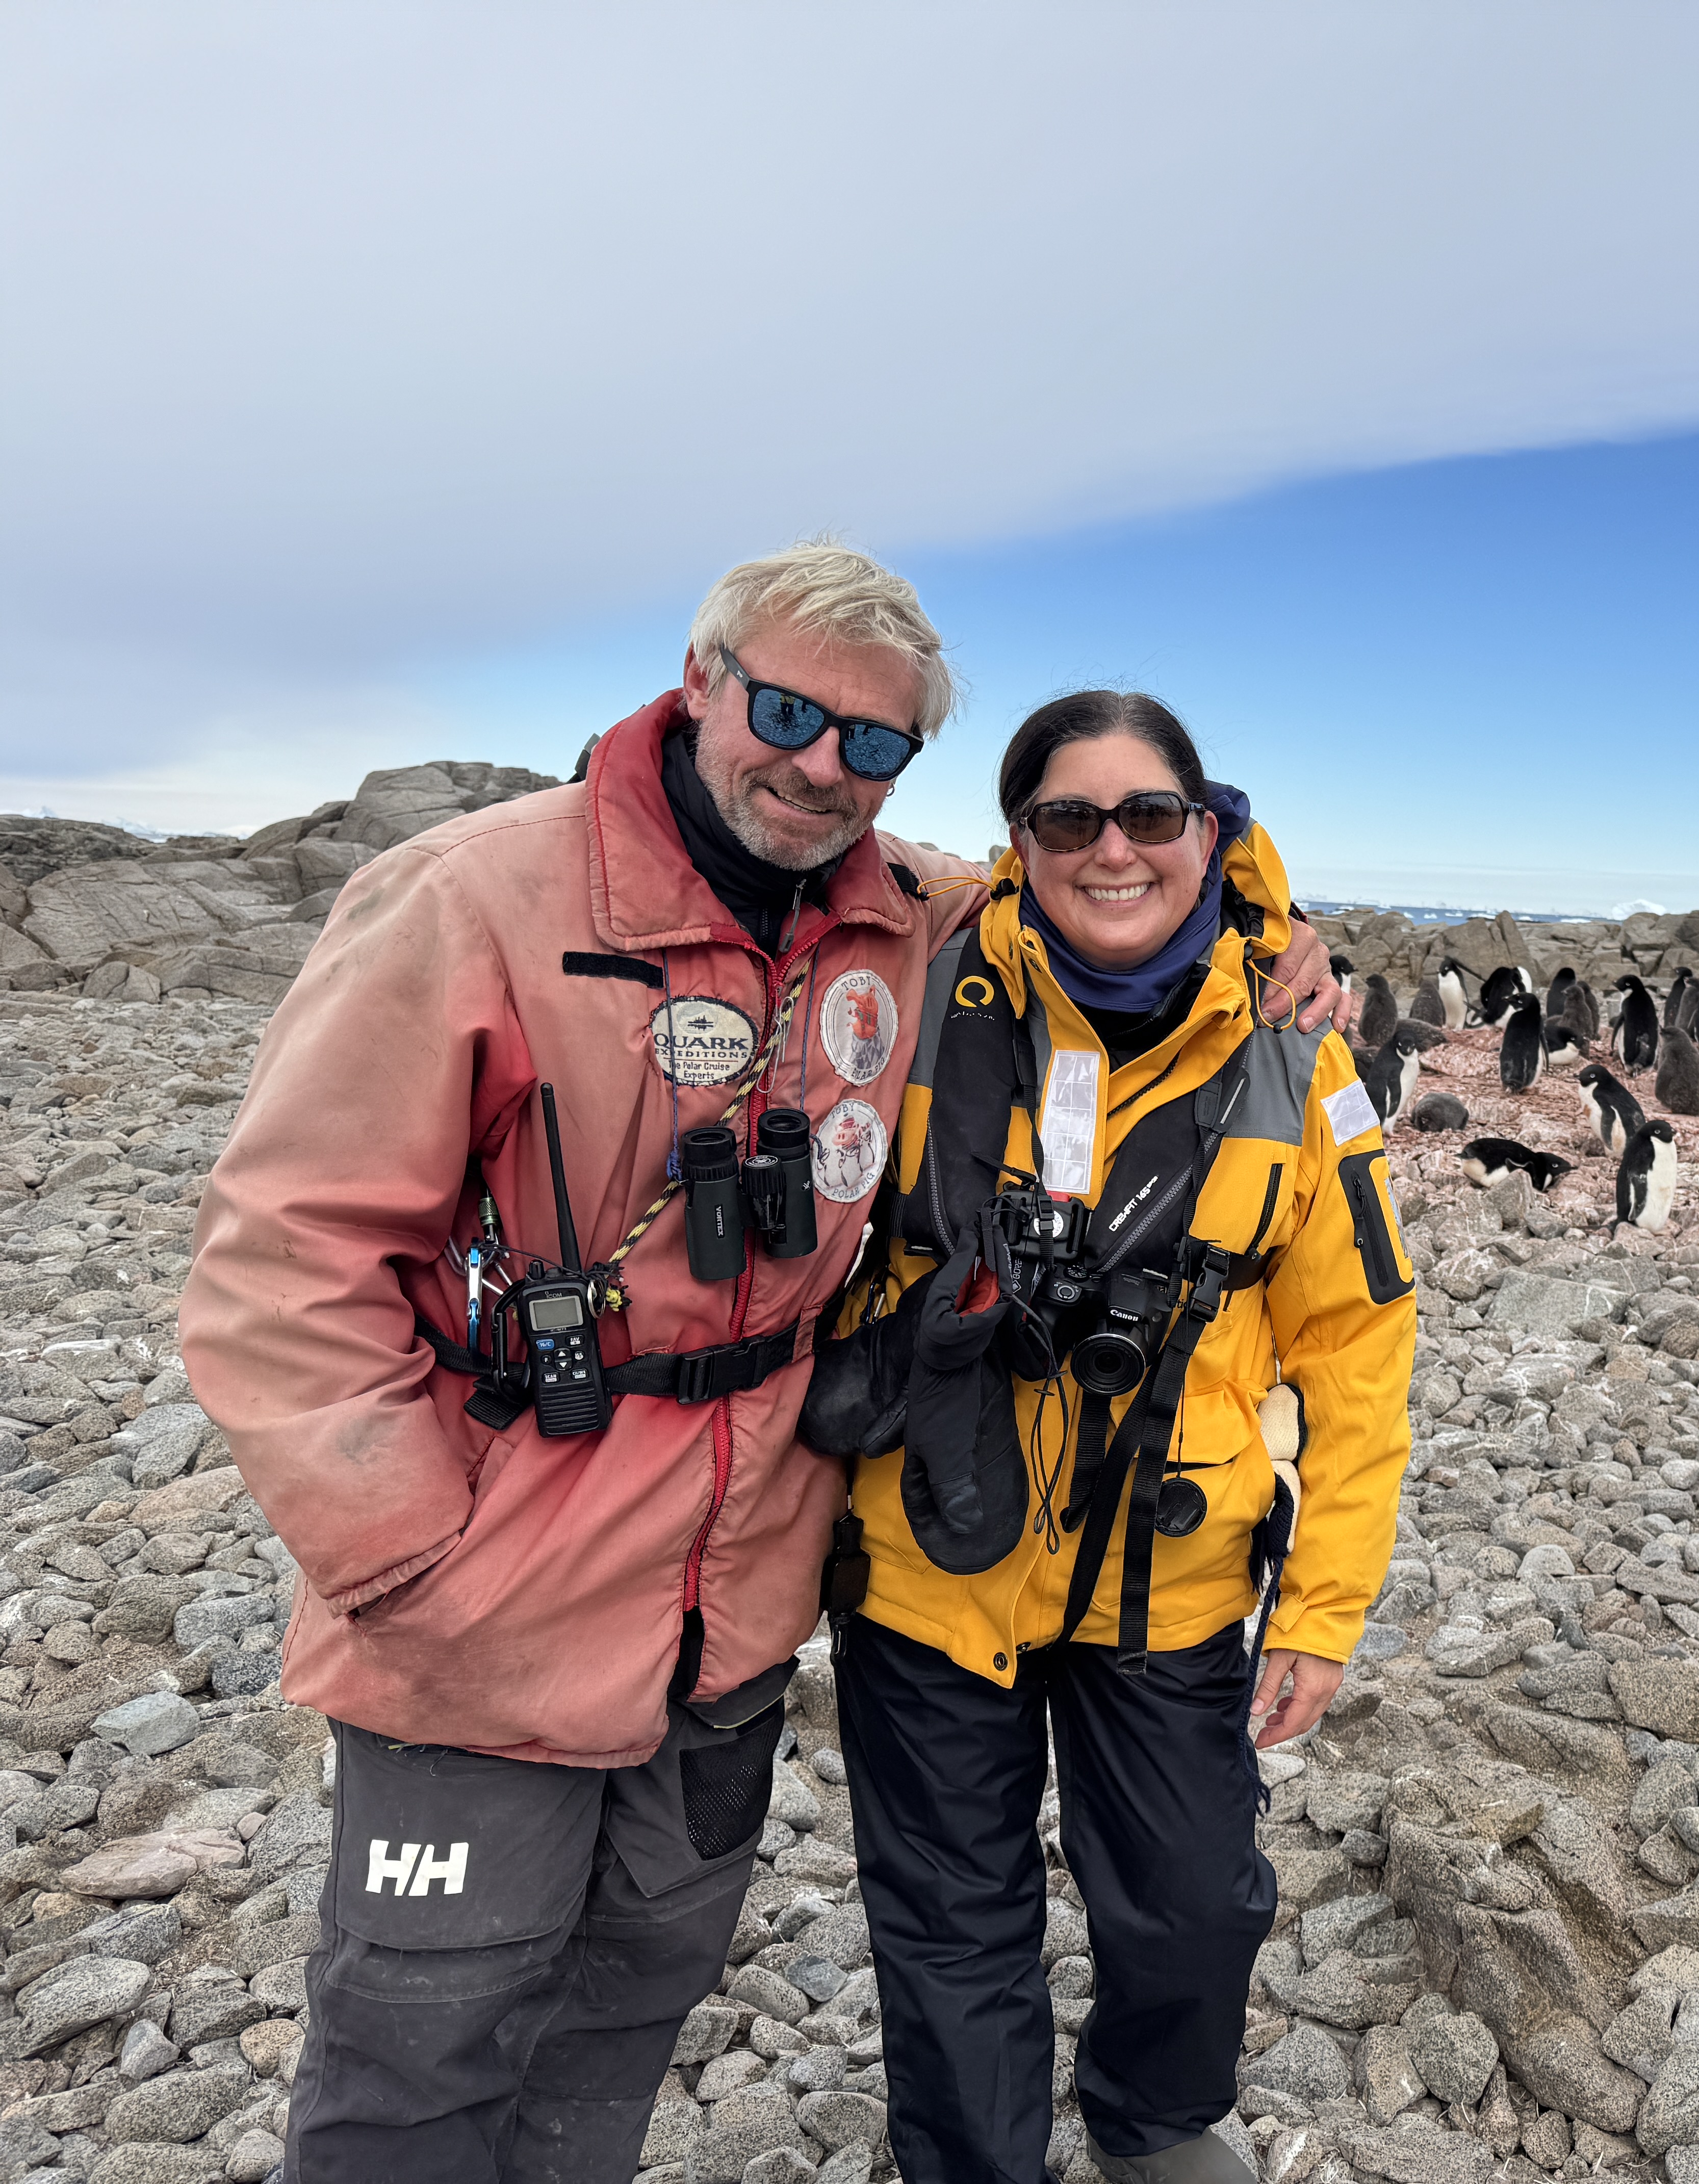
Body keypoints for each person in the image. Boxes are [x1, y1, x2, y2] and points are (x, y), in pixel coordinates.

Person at [177, 548, 1341, 2183]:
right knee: (429, 2021)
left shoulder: (902, 908)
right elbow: (282, 1263)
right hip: (493, 1571)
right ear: (700, 679)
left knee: (634, 1985)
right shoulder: (473, 898)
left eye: (874, 742)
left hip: (743, 1582)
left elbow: (1111, 870)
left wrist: (1277, 926)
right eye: (788, 712)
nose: (820, 767)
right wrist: (404, 1550)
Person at [827, 690, 1416, 2184]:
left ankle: (1153, 2116)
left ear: (1209, 831)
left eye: (1151, 815)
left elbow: (1358, 1345)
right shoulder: (920, 990)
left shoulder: (1296, 1053)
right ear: (1016, 843)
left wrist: (1324, 1608)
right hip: (933, 1544)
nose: (1113, 849)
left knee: (1196, 1898)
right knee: (950, 1912)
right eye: (1068, 819)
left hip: (1171, 1565)